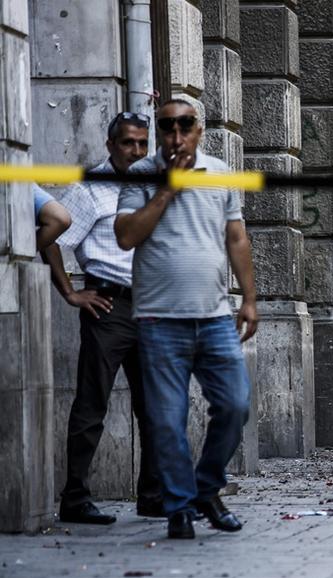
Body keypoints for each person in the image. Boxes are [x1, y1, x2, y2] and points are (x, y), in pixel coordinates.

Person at [114, 98, 257, 539]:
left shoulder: (221, 175)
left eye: (185, 126)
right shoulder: (140, 176)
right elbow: (126, 236)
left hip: (214, 316)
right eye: (168, 128)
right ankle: (178, 507)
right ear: (160, 132)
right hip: (159, 320)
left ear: (200, 129)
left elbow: (236, 237)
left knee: (235, 404)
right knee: (166, 419)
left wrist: (249, 298)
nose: (176, 136)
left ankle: (206, 488)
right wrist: (167, 190)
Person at [39, 112, 162, 524]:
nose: (137, 151)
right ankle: (74, 499)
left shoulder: (150, 183)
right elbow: (53, 238)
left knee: (156, 407)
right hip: (108, 307)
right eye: (128, 143)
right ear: (111, 145)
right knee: (92, 406)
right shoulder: (90, 189)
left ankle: (153, 495)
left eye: (143, 143)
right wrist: (71, 292)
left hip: (150, 308)